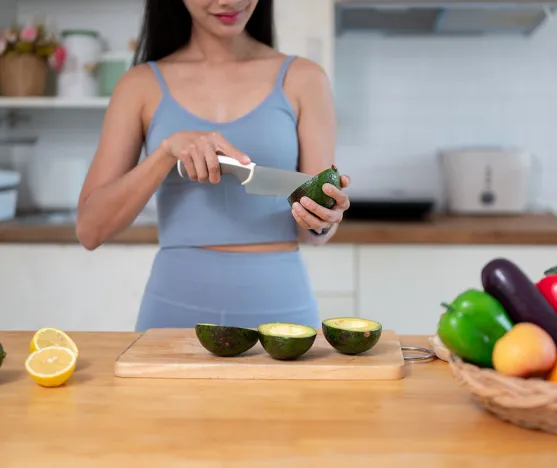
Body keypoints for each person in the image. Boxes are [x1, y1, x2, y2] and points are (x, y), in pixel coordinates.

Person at [75, 0, 351, 331]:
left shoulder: (305, 79)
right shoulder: (139, 86)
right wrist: (165, 153)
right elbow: (90, 231)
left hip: (281, 309)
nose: (228, 1)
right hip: (173, 313)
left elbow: (318, 232)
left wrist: (324, 218)